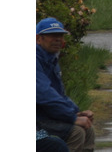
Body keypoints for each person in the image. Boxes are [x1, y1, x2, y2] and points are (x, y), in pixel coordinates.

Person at [36, 18, 96, 152]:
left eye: (60, 36)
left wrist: (77, 112)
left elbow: (59, 94)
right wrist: (72, 117)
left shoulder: (51, 58)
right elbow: (45, 95)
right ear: (38, 39)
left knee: (88, 128)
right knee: (76, 132)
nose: (58, 39)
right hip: (37, 124)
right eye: (52, 36)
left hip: (46, 117)